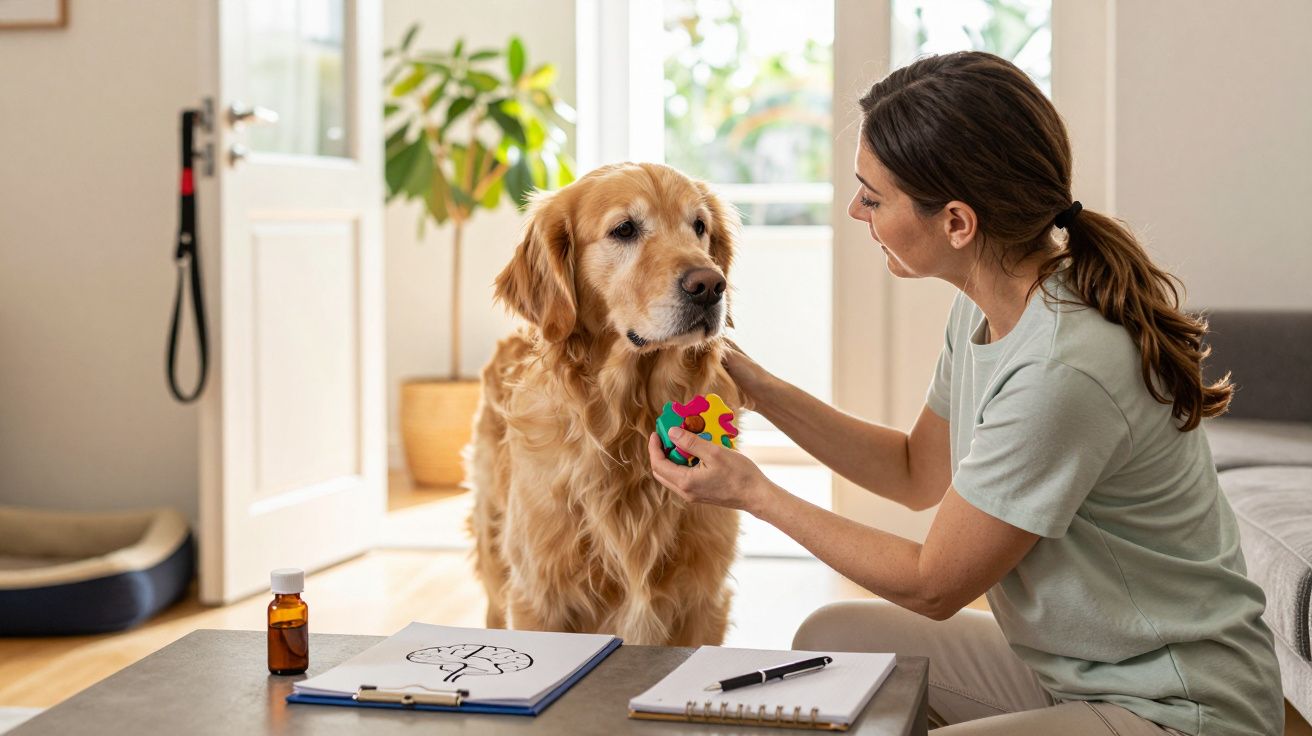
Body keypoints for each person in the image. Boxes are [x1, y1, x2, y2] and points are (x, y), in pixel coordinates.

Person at [647, 51, 1283, 736]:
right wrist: (763, 390)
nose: (855, 208)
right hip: (1069, 671)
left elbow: (934, 584)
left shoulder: (1062, 368)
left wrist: (753, 491)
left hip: (1178, 709)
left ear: (956, 222)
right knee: (835, 639)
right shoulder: (988, 309)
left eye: (874, 195)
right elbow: (917, 472)